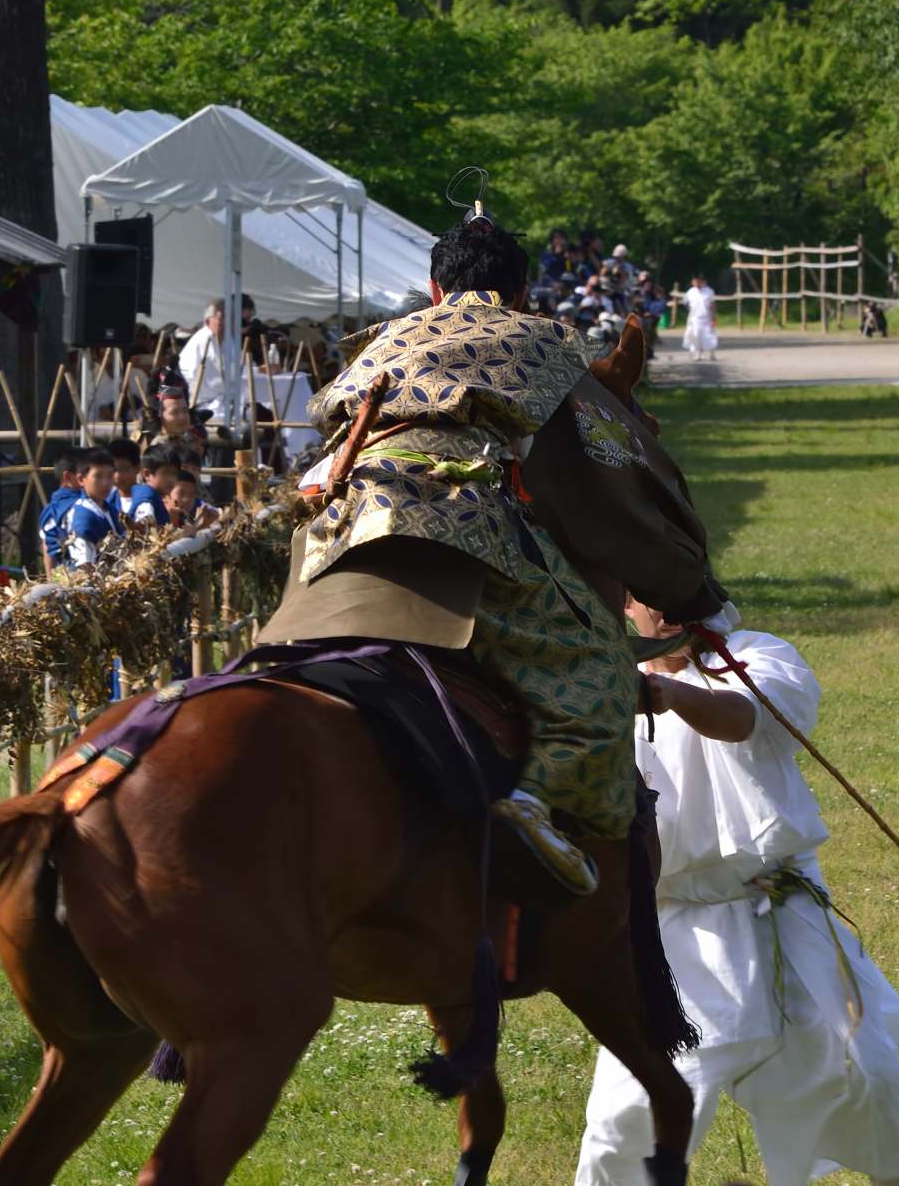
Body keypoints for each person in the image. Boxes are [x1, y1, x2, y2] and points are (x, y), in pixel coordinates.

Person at [258, 211, 718, 894]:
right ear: (525, 291)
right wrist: (689, 588)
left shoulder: (385, 340)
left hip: (335, 532)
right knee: (598, 671)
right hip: (455, 524)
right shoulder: (545, 345)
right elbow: (606, 493)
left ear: (434, 289)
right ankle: (536, 798)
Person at [575, 600, 899, 1186]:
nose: (666, 609)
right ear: (623, 603)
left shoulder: (756, 654)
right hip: (674, 926)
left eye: (676, 593)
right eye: (648, 597)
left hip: (783, 910)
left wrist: (674, 697)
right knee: (633, 1109)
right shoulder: (596, 682)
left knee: (865, 1069)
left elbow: (743, 716)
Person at [178, 298, 243, 442]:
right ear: (208, 321)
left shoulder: (229, 340)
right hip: (203, 403)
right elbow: (188, 375)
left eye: (230, 318)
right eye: (222, 318)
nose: (227, 323)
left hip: (226, 401)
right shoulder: (201, 341)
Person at [63, 448, 122, 570]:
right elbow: (84, 566)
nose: (105, 482)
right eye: (98, 476)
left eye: (110, 476)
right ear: (81, 479)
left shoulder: (110, 509)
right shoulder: (82, 516)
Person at [39, 450, 82, 568]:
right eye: (84, 473)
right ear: (67, 476)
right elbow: (49, 547)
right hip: (74, 576)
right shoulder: (57, 510)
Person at [126, 444, 177, 530]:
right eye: (166, 473)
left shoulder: (153, 497)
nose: (171, 479)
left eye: (175, 474)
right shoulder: (146, 502)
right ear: (147, 474)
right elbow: (146, 535)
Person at [681, 274, 717, 362]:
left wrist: (713, 317)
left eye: (698, 281)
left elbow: (712, 305)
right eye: (695, 282)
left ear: (702, 282)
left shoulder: (709, 291)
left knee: (709, 335)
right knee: (695, 335)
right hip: (695, 318)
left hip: (706, 317)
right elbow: (686, 303)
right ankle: (698, 354)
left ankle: (712, 353)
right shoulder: (690, 292)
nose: (696, 283)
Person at [106, 438, 140, 520]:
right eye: (114, 470)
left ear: (137, 468)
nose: (117, 476)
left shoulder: (146, 500)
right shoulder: (106, 503)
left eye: (124, 469)